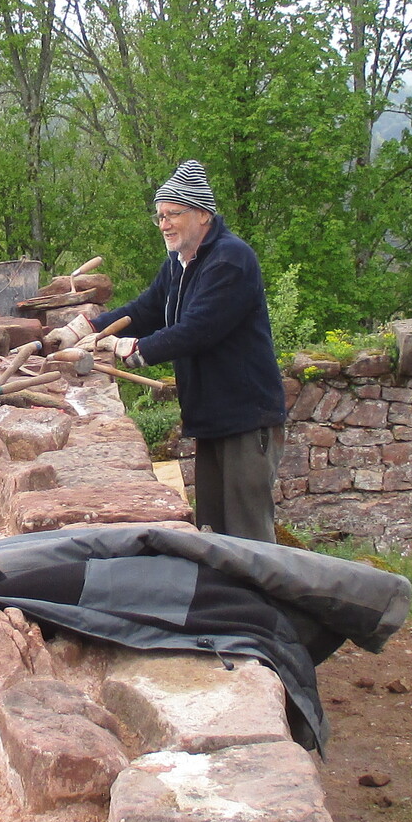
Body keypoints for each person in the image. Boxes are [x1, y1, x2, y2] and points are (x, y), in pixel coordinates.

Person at [59, 160, 288, 542]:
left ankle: (264, 585)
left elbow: (198, 330)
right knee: (215, 531)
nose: (164, 224)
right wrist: (84, 328)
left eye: (173, 214)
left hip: (246, 418)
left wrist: (133, 349)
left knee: (249, 538)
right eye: (160, 216)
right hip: (212, 417)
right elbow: (146, 309)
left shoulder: (230, 260)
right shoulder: (180, 261)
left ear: (202, 214)